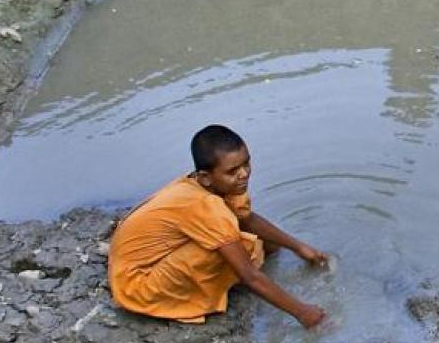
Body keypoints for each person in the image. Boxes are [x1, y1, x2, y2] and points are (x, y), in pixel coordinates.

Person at [108, 125, 329, 328]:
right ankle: (199, 297)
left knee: (257, 238)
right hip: (136, 285)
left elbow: (246, 218)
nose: (244, 174)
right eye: (233, 171)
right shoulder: (205, 205)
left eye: (246, 163)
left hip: (135, 262)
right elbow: (249, 276)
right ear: (205, 177)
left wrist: (298, 247)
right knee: (240, 245)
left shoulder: (207, 185)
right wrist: (303, 312)